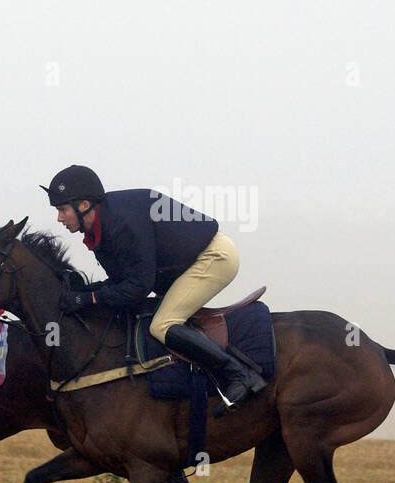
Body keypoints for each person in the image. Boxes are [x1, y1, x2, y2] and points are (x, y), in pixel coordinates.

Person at [41, 164, 265, 409]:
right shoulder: (102, 225)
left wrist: (89, 299)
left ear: (83, 205)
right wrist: (84, 292)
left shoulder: (121, 222)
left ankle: (239, 374)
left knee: (163, 325)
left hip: (213, 258)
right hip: (186, 265)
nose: (59, 218)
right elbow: (121, 282)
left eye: (62, 209)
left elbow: (137, 288)